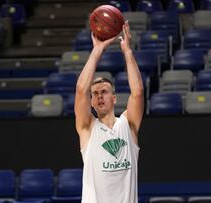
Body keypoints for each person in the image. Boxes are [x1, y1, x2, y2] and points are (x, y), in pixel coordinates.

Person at [74, 21, 144, 203]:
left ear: (114, 98)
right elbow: (81, 89)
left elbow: (137, 93)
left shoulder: (128, 125)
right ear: (91, 101)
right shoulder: (87, 128)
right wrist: (97, 51)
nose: (99, 96)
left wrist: (127, 52)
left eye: (104, 91)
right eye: (95, 93)